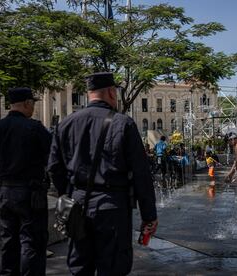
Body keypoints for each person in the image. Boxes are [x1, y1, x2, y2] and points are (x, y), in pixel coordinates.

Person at [47, 72, 158, 275]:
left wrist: (70, 193)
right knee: (114, 268)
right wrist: (149, 215)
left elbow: (54, 167)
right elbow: (141, 173)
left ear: (89, 94)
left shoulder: (65, 124)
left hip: (77, 207)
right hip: (112, 207)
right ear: (110, 92)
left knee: (80, 267)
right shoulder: (124, 124)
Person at [0, 87, 51, 275]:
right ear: (27, 103)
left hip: (4, 192)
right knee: (32, 242)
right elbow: (52, 157)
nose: (33, 108)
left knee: (7, 240)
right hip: (31, 193)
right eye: (33, 104)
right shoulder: (35, 128)